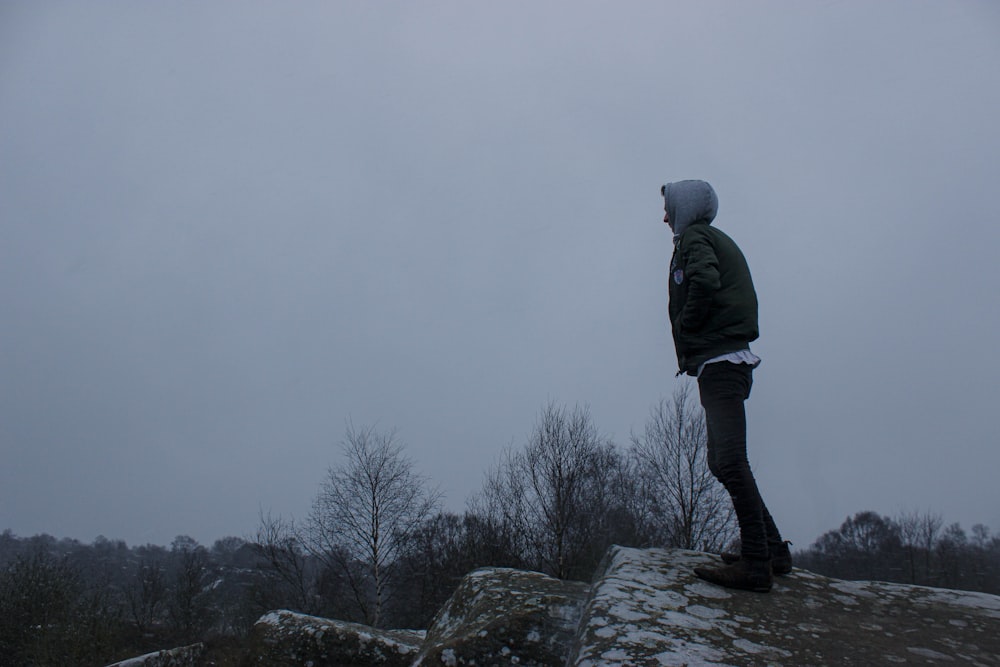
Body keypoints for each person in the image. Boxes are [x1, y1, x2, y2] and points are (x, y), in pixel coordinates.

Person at [661, 179, 790, 593]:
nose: (664, 216)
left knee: (731, 460)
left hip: (722, 360)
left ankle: (756, 563)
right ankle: (772, 549)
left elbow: (705, 282)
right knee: (721, 462)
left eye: (669, 207)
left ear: (685, 208)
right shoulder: (701, 237)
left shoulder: (696, 237)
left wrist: (689, 325)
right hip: (720, 361)